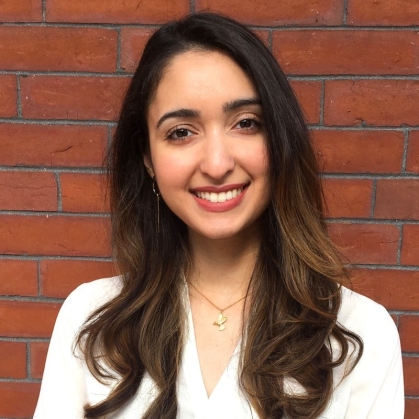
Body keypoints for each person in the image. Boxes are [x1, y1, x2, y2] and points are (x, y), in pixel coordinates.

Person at [34, 12, 404, 419]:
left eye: (246, 123)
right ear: (147, 158)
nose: (216, 163)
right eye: (181, 131)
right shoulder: (91, 324)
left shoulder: (359, 334)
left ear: (280, 138)